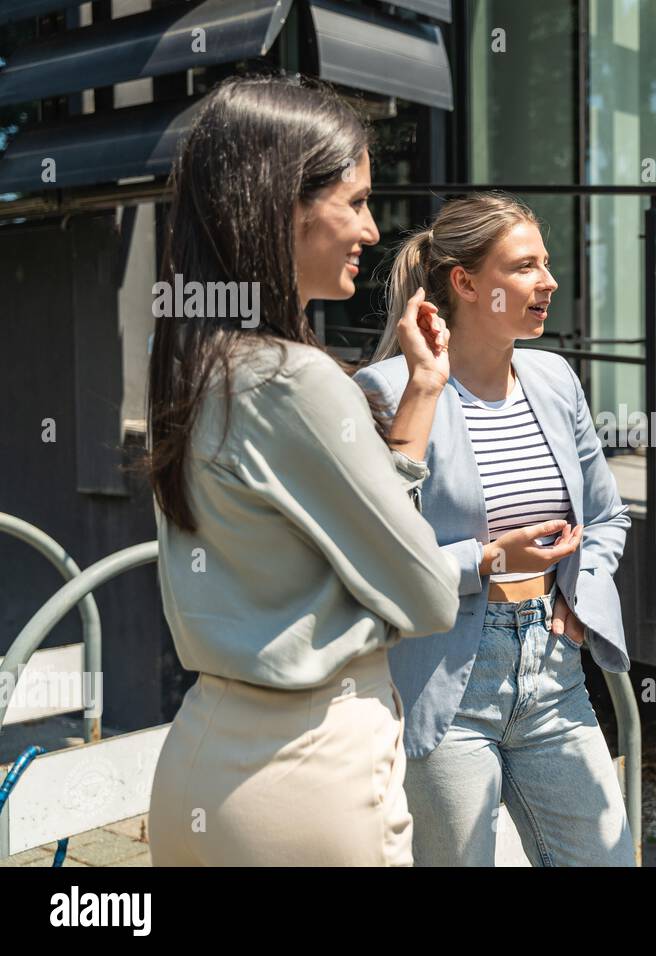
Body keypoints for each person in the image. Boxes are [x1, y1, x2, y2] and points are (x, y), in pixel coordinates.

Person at [146, 74, 460, 866]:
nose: (372, 226)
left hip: (202, 766)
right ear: (282, 202)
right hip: (313, 770)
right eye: (354, 201)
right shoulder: (295, 377)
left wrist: (420, 392)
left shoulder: (192, 364)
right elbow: (427, 591)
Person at [354, 192, 635, 866]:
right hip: (442, 680)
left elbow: (606, 516)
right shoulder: (390, 391)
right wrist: (481, 561)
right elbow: (378, 551)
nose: (549, 283)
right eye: (526, 267)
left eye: (547, 264)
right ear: (467, 283)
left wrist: (575, 604)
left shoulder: (555, 378)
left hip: (553, 670)